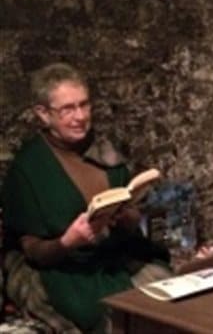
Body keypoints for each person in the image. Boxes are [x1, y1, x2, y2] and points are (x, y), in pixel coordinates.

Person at [1, 63, 172, 332]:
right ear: (43, 115)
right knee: (100, 312)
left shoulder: (104, 150)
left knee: (166, 291)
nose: (80, 116)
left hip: (110, 254)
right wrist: (67, 242)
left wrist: (129, 218)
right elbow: (31, 249)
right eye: (68, 109)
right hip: (60, 265)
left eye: (84, 105)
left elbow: (129, 208)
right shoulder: (29, 168)